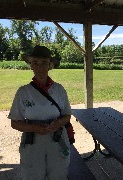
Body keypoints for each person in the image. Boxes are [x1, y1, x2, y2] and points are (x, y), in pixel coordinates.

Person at [8, 45, 72, 180]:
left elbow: (67, 116)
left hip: (57, 138)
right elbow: (14, 123)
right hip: (32, 142)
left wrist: (58, 122)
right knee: (32, 175)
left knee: (58, 174)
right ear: (31, 65)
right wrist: (34, 128)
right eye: (35, 63)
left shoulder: (59, 89)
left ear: (50, 66)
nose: (40, 67)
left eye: (44, 63)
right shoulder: (23, 92)